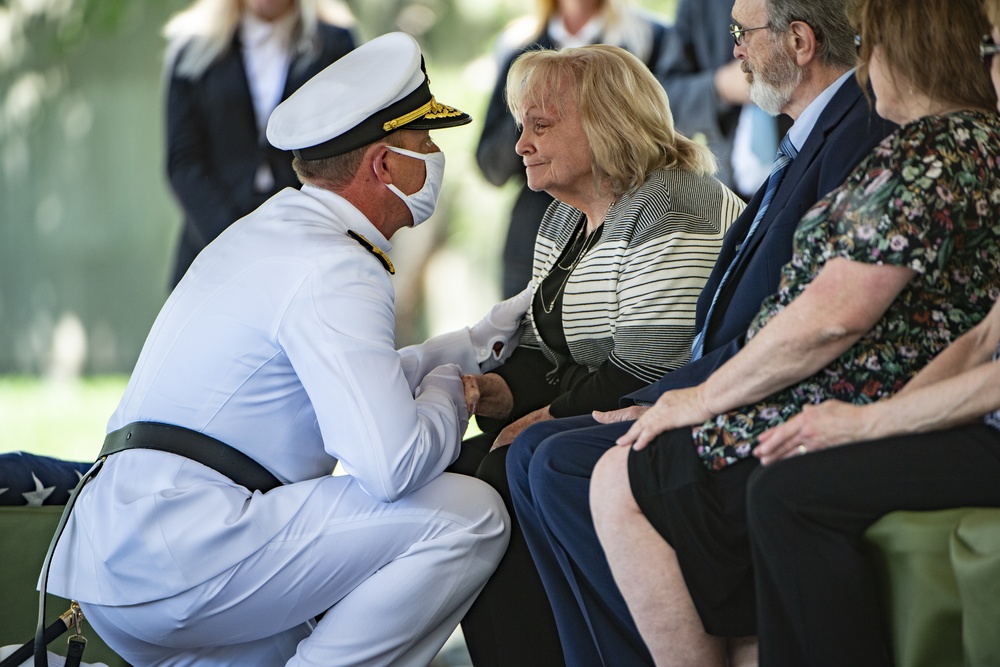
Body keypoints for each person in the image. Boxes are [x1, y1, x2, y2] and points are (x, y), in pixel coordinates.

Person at [41, 33, 519, 666]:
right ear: (382, 165)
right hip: (187, 554)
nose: (435, 157)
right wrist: (447, 395)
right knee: (470, 514)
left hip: (125, 559)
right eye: (423, 143)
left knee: (307, 629)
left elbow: (352, 387)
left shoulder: (274, 234)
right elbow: (392, 464)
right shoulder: (338, 267)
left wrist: (479, 340)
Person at [589, 0, 1000, 663]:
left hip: (850, 383)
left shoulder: (936, 148)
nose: (862, 62)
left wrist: (704, 397)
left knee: (638, 475)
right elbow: (980, 337)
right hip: (881, 388)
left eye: (871, 45)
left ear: (903, 51)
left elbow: (834, 316)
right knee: (621, 468)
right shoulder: (952, 141)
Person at [505, 0, 895, 664]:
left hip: (777, 396)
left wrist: (674, 398)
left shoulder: (856, 131)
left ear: (799, 41)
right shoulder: (807, 134)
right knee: (532, 455)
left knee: (556, 459)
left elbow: (819, 316)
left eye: (745, 34)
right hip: (733, 380)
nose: (734, 49)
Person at [455, 43, 744, 667]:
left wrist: (537, 418)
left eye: (540, 125)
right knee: (455, 477)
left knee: (506, 470)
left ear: (605, 121)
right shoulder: (560, 221)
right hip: (608, 404)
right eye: (520, 127)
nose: (521, 145)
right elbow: (544, 351)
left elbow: (653, 363)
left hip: (680, 409)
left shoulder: (676, 199)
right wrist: (501, 393)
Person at [746, 1, 1000, 663]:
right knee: (793, 467)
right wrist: (876, 417)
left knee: (788, 491)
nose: (992, 69)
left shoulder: (950, 146)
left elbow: (843, 312)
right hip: (984, 422)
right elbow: (980, 342)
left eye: (997, 50)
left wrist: (864, 424)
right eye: (990, 50)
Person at [476, 0, 670, 298]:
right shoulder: (520, 46)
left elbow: (660, 141)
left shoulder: (649, 39)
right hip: (532, 241)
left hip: (623, 235)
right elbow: (491, 166)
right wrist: (537, 111)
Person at [163, 0, 355, 287]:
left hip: (306, 252)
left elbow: (349, 149)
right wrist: (233, 242)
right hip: (212, 249)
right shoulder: (191, 50)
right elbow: (183, 164)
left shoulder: (335, 45)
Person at [655, 0, 786, 198]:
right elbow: (663, 101)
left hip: (809, 184)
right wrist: (721, 86)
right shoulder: (700, 5)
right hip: (729, 194)